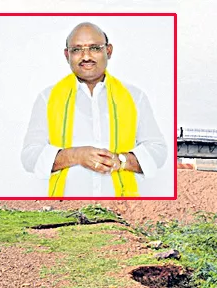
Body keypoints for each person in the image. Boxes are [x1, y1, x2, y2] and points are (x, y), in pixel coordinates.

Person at [21, 22, 167, 197]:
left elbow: (158, 150)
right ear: (67, 55)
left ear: (109, 51)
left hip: (122, 209)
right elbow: (29, 157)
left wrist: (121, 161)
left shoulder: (135, 97)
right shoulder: (48, 98)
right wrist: (76, 155)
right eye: (77, 50)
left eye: (95, 48)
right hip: (65, 210)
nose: (86, 56)